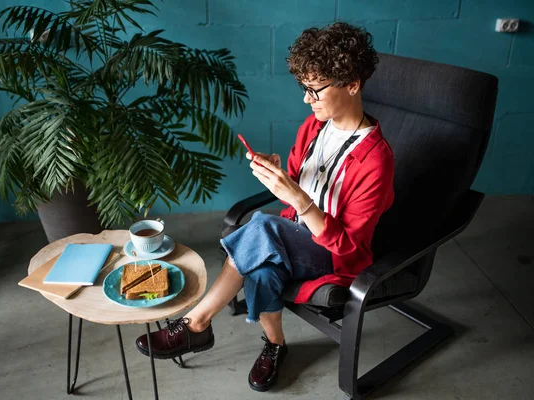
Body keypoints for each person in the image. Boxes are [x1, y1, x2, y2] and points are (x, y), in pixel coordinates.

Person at [135, 22, 395, 392]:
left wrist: (298, 200)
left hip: (335, 255)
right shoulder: (314, 127)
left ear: (352, 84)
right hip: (294, 235)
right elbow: (297, 176)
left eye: (314, 89)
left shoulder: (376, 160)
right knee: (262, 263)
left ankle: (196, 323)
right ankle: (275, 345)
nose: (307, 98)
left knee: (261, 227)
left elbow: (350, 246)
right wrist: (279, 172)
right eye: (303, 88)